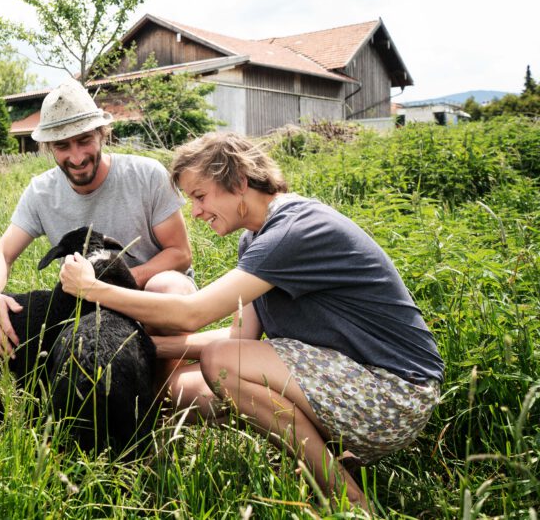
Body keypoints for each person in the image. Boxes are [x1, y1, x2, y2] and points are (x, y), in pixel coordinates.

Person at [59, 131, 444, 508]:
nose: (195, 212)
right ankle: (314, 456)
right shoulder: (257, 239)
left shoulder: (294, 230)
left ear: (239, 182)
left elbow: (196, 314)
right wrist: (148, 348)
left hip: (394, 395)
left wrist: (94, 289)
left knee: (221, 364)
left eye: (200, 196)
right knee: (172, 385)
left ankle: (346, 497)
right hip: (349, 382)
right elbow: (239, 337)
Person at [0, 78, 195, 359]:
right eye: (63, 146)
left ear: (102, 134)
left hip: (147, 293)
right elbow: (2, 254)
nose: (77, 157)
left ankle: (163, 392)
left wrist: (112, 286)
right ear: (49, 148)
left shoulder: (147, 175)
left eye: (84, 140)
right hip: (87, 302)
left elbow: (180, 253)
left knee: (167, 286)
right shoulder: (41, 192)